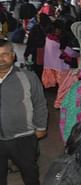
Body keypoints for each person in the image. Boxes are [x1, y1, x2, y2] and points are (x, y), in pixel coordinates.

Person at [0, 39, 48, 185]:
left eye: (5, 54)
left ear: (13, 55)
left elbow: (40, 103)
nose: (1, 59)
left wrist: (41, 127)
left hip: (23, 137)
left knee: (30, 174)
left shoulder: (28, 77)